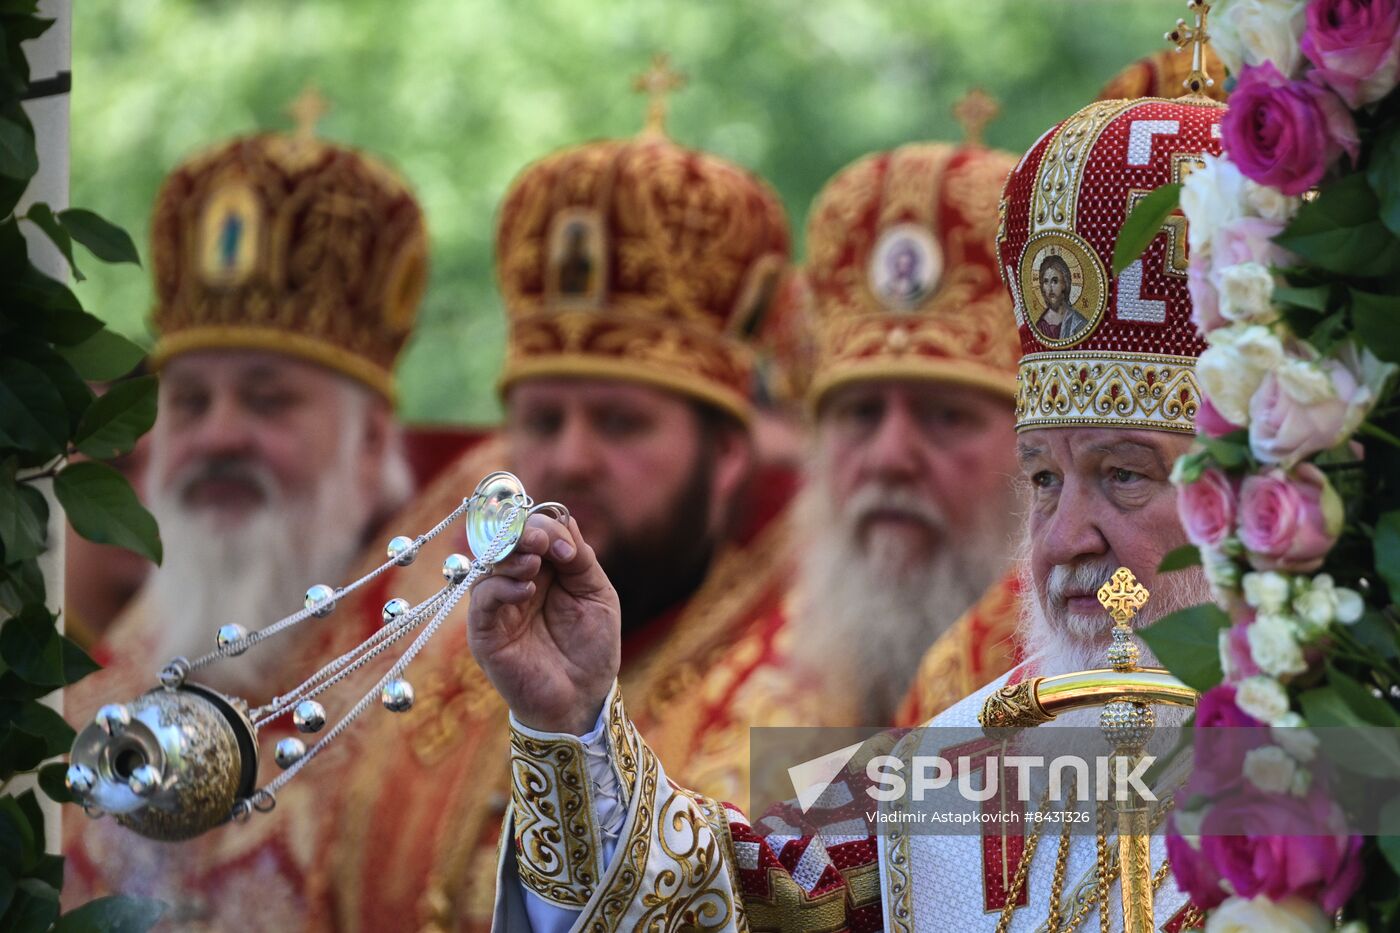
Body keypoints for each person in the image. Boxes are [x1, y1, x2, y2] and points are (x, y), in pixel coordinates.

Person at [474, 88, 1226, 930]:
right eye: (1043, 478)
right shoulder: (951, 770)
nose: (1064, 538)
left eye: (1124, 475)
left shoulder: (1361, 752)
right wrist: (574, 727)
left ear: (1257, 489)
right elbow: (735, 905)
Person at [314, 74, 799, 931]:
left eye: (620, 421)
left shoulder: (810, 685)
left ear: (727, 456)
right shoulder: (439, 609)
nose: (570, 456)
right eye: (541, 418)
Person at [62, 116, 431, 927]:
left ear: (369, 440)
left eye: (266, 399)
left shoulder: (446, 676)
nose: (219, 434)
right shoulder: (94, 690)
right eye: (191, 401)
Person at [750, 140, 1027, 730]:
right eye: (861, 414)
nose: (890, 457)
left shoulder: (1101, 696)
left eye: (947, 416)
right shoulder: (742, 695)